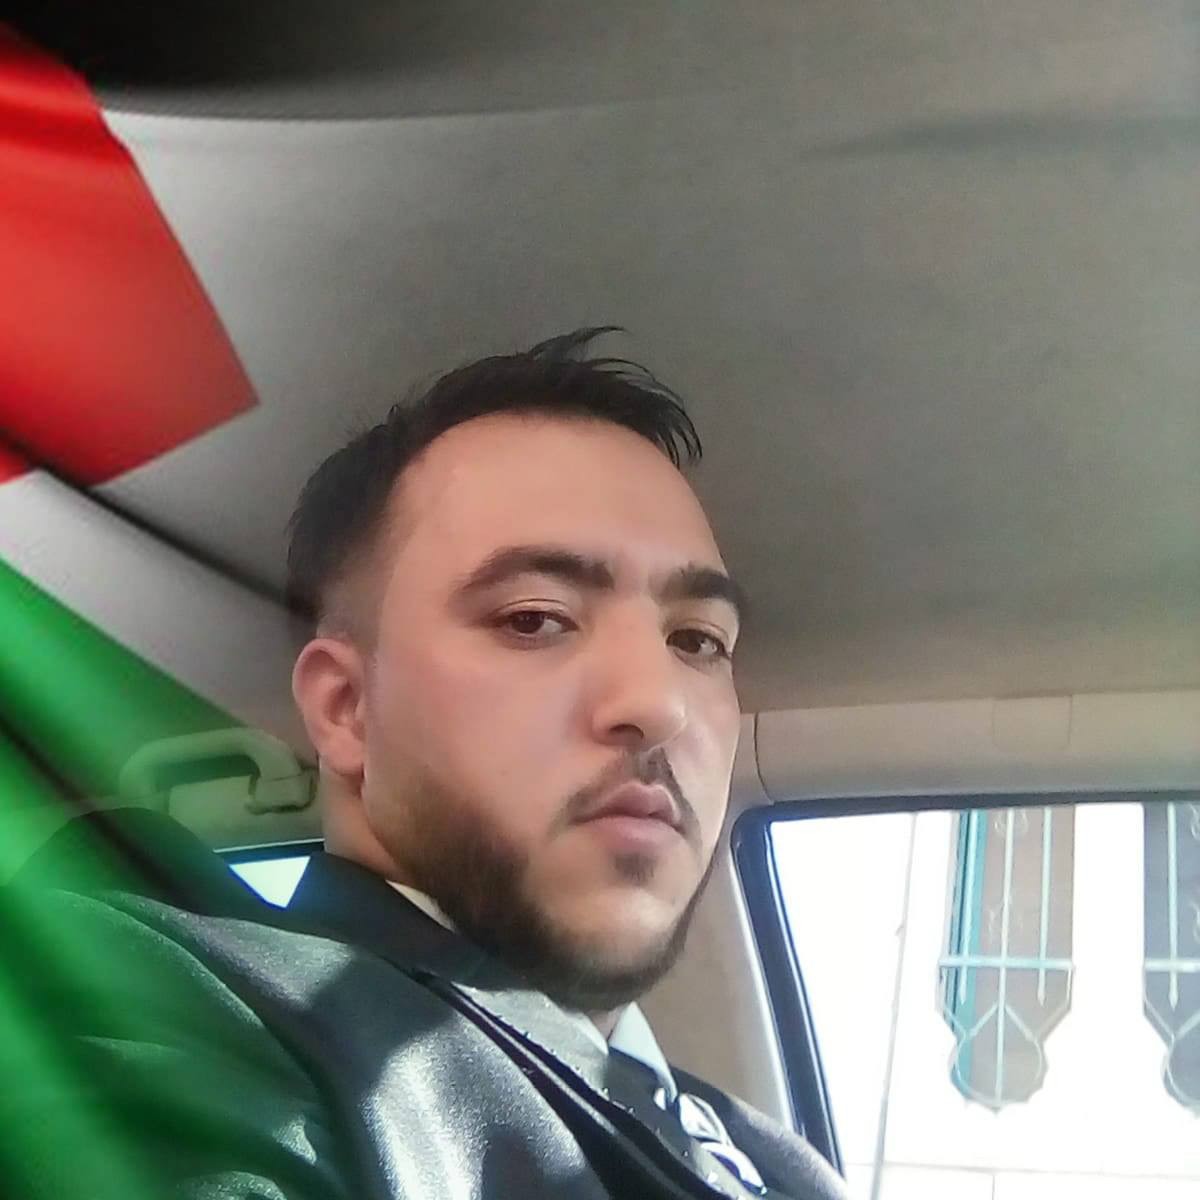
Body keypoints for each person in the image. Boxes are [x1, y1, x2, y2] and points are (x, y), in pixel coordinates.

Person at [6, 328, 848, 1199]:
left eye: (698, 640)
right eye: (534, 618)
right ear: (347, 707)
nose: (660, 703)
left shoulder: (777, 1160)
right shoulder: (168, 1008)